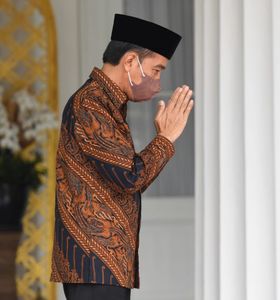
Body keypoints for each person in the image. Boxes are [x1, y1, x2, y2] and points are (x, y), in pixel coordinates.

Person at [50, 14, 194, 300]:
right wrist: (165, 139)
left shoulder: (106, 103)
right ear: (130, 62)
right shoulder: (91, 103)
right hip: (94, 262)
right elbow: (131, 177)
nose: (157, 81)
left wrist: (162, 142)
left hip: (103, 265)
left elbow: (124, 177)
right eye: (156, 70)